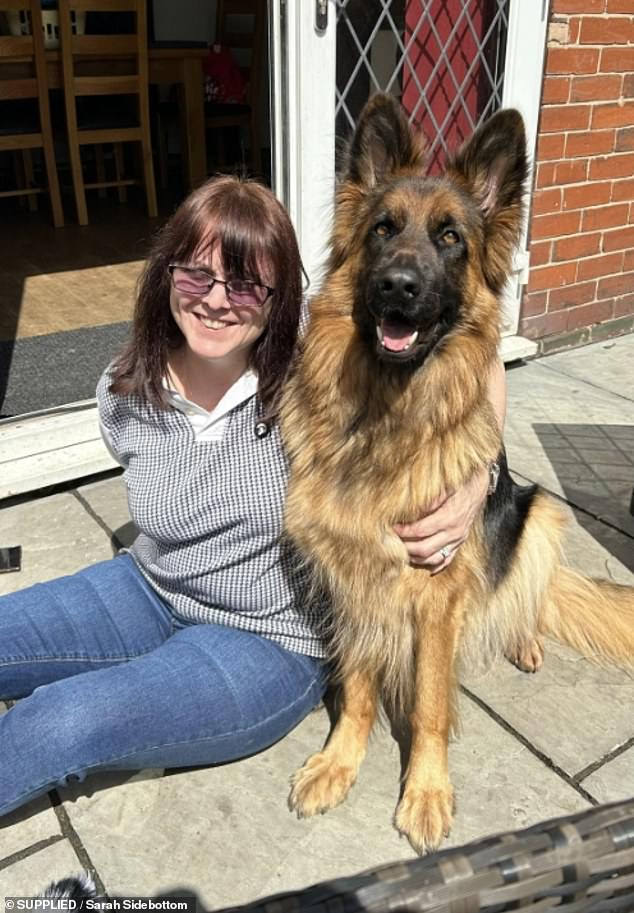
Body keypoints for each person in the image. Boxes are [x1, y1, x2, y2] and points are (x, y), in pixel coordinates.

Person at [0, 176, 505, 819]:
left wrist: (477, 477)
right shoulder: (123, 390)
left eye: (245, 284)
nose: (217, 301)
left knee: (59, 719)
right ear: (164, 275)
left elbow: (474, 352)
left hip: (265, 640)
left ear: (278, 298)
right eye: (195, 275)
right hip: (149, 588)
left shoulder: (305, 358)